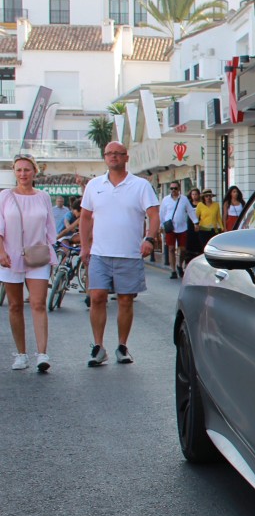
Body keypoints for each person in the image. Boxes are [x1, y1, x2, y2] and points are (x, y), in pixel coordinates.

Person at [80, 142, 161, 367]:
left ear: (126, 158)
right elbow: (85, 217)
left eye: (118, 154)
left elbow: (154, 215)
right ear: (105, 157)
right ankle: (98, 347)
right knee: (96, 297)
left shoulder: (140, 185)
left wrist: (149, 239)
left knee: (126, 300)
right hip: (99, 253)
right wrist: (85, 247)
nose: (113, 157)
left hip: (129, 254)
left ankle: (122, 346)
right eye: (109, 154)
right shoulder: (94, 185)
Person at [0, 155, 57, 372]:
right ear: (14, 172)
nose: (23, 174)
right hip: (10, 257)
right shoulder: (5, 196)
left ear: (34, 172)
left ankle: (42, 354)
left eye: (27, 169)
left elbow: (50, 227)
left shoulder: (43, 197)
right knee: (14, 306)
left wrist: (54, 251)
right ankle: (21, 354)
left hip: (37, 255)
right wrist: (1, 252)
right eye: (19, 170)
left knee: (38, 303)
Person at [159, 181, 196, 279]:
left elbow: (190, 211)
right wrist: (161, 226)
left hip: (182, 228)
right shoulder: (165, 200)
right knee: (171, 249)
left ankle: (179, 265)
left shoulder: (184, 199)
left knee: (183, 250)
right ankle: (173, 270)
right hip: (170, 228)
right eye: (171, 188)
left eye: (175, 188)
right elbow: (162, 213)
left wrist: (196, 222)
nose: (173, 190)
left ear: (179, 189)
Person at [190, 189, 221, 257]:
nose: (208, 198)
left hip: (213, 229)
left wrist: (222, 227)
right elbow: (196, 217)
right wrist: (195, 225)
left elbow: (218, 217)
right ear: (204, 197)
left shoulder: (216, 205)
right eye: (206, 196)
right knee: (204, 247)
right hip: (203, 230)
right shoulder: (200, 205)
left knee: (212, 247)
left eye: (209, 196)